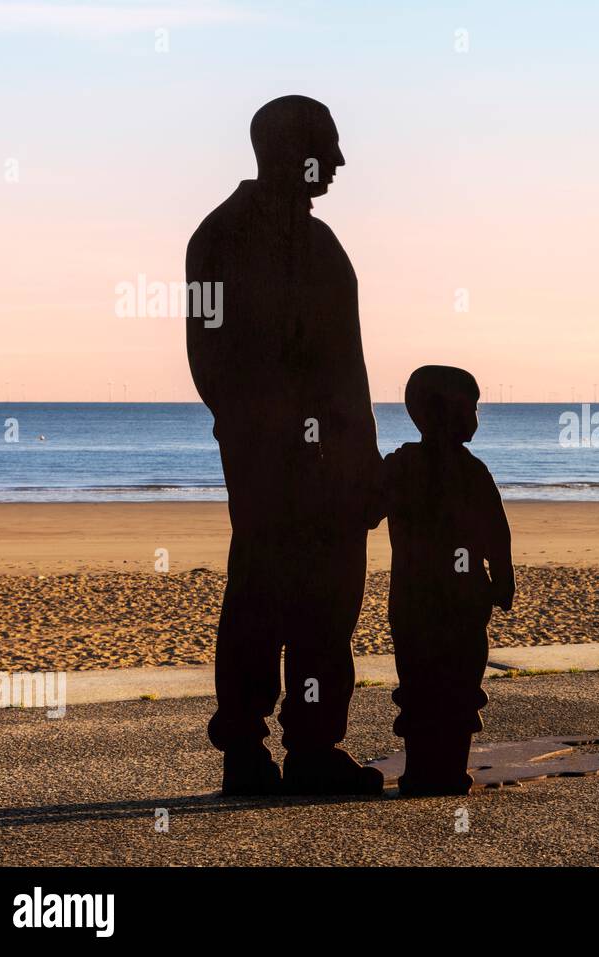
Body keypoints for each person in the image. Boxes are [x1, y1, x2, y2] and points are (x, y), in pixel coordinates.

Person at [185, 95, 384, 796]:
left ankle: (311, 743)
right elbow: (209, 354)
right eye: (326, 145)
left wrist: (360, 464)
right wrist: (262, 433)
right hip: (272, 461)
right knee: (261, 597)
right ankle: (245, 744)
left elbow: (348, 373)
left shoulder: (321, 246)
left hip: (327, 467)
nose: (337, 161)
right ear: (286, 148)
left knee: (325, 607)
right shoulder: (223, 238)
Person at [382, 366, 514, 796]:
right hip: (452, 598)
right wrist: (502, 576)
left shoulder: (405, 466)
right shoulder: (467, 471)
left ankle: (430, 769)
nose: (476, 420)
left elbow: (496, 531)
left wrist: (504, 575)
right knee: (443, 685)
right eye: (471, 409)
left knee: (437, 685)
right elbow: (497, 531)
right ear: (441, 413)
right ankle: (435, 768)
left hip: (423, 599)